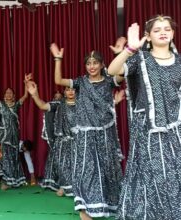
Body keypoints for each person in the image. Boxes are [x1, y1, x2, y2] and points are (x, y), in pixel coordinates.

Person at [108, 15, 181, 220]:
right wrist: (130, 49)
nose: (163, 32)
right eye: (157, 30)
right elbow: (112, 71)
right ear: (147, 36)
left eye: (167, 28)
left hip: (176, 131)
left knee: (175, 175)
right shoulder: (140, 60)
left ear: (173, 33)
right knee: (155, 176)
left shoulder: (180, 62)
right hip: (149, 130)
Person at [51, 43, 124, 219]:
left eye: (95, 63)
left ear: (101, 64)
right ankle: (84, 209)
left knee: (107, 169)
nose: (91, 66)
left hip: (105, 132)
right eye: (88, 63)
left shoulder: (108, 80)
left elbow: (122, 74)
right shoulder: (80, 82)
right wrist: (58, 59)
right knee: (85, 169)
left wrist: (122, 53)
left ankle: (107, 205)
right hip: (84, 134)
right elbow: (59, 81)